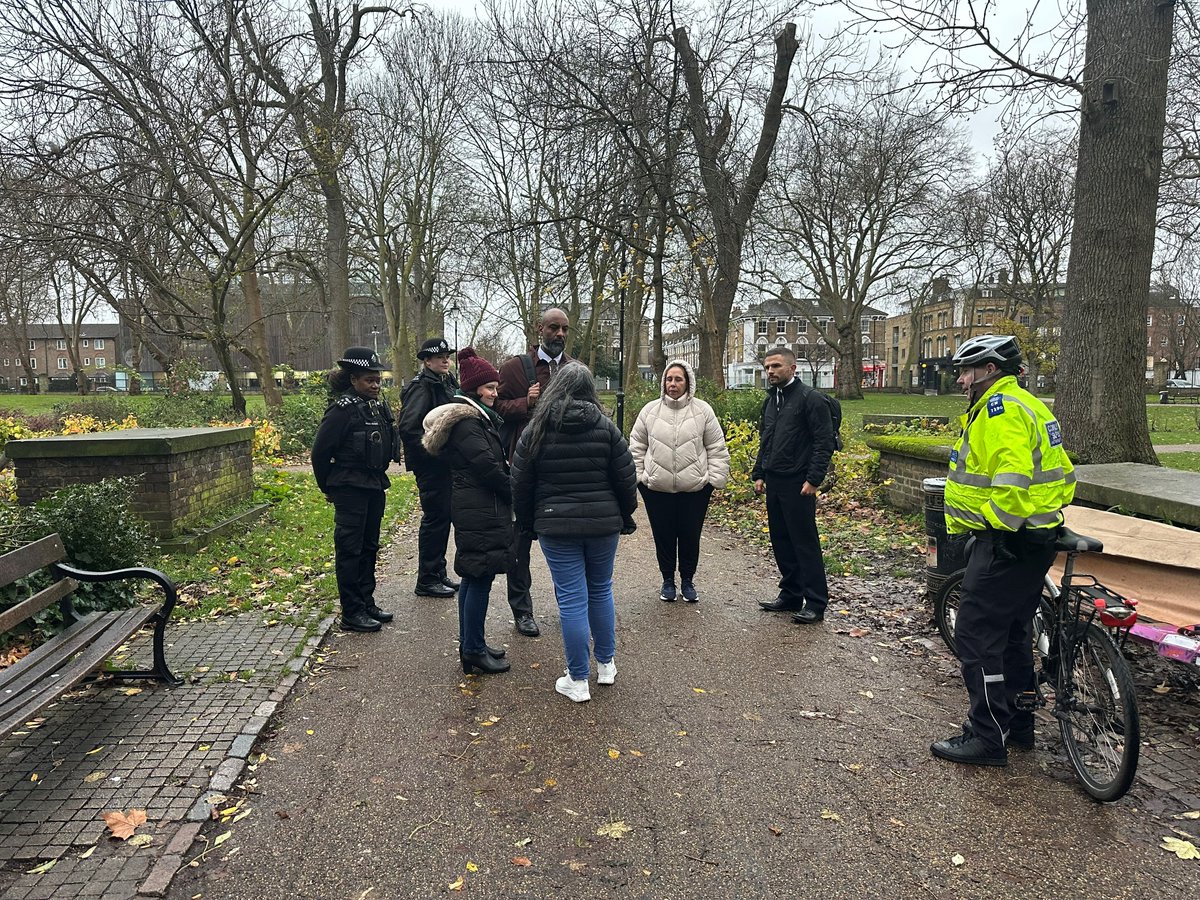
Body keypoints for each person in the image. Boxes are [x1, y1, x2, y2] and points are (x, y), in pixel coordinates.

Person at [931, 334, 1075, 767]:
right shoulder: (1030, 404)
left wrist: (994, 528)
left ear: (989, 370)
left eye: (966, 371)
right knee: (1014, 633)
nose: (960, 379)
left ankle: (987, 736)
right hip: (1034, 539)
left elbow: (1012, 484)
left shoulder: (1001, 411)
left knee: (976, 636)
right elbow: (1063, 475)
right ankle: (1018, 725)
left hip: (1006, 543)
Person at [511, 362, 637, 703]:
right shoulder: (606, 426)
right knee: (600, 589)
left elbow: (520, 482)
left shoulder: (537, 429)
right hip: (603, 523)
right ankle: (606, 664)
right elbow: (626, 478)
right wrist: (625, 515)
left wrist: (526, 522)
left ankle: (578, 679)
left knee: (571, 598)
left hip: (556, 524)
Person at [421, 348, 513, 676]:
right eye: (489, 387)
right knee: (479, 578)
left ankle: (472, 643)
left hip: (476, 507)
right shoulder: (469, 425)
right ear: (475, 390)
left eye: (495, 387)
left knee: (474, 578)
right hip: (480, 510)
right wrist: (514, 490)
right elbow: (488, 468)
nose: (494, 392)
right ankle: (472, 649)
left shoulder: (472, 420)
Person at [495, 307, 573, 637]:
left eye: (565, 329)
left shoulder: (574, 369)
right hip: (524, 471)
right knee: (519, 545)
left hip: (562, 472)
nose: (560, 334)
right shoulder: (516, 368)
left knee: (568, 544)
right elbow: (494, 407)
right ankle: (522, 610)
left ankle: (570, 607)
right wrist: (523, 403)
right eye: (554, 328)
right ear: (539, 329)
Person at [311, 347, 399, 633]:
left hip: (374, 484)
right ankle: (351, 611)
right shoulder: (342, 410)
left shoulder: (373, 405)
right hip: (350, 487)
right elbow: (320, 453)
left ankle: (366, 601)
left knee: (369, 546)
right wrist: (328, 487)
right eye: (368, 380)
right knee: (350, 549)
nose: (375, 385)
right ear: (353, 380)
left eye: (378, 380)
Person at [629, 359, 730, 603]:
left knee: (689, 535)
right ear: (663, 381)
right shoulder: (650, 411)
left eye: (678, 379)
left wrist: (713, 481)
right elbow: (636, 446)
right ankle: (667, 581)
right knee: (663, 536)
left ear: (688, 383)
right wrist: (640, 478)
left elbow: (716, 447)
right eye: (669, 379)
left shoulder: (703, 411)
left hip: (694, 489)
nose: (673, 384)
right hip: (657, 489)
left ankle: (687, 580)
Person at [753, 348, 836, 625]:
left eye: (776, 366)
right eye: (767, 368)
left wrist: (814, 479)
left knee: (804, 542)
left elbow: (824, 442)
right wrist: (759, 473)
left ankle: (815, 602)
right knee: (781, 539)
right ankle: (791, 594)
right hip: (774, 479)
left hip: (799, 482)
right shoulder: (771, 400)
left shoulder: (811, 399)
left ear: (792, 368)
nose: (770, 372)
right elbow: (767, 439)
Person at [398, 337, 459, 599]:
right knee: (435, 518)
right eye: (440, 356)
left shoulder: (446, 381)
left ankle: (437, 571)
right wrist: (433, 453)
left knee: (442, 517)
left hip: (444, 464)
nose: (446, 360)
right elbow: (409, 429)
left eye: (447, 355)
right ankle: (427, 578)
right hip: (432, 465)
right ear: (426, 361)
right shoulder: (422, 388)